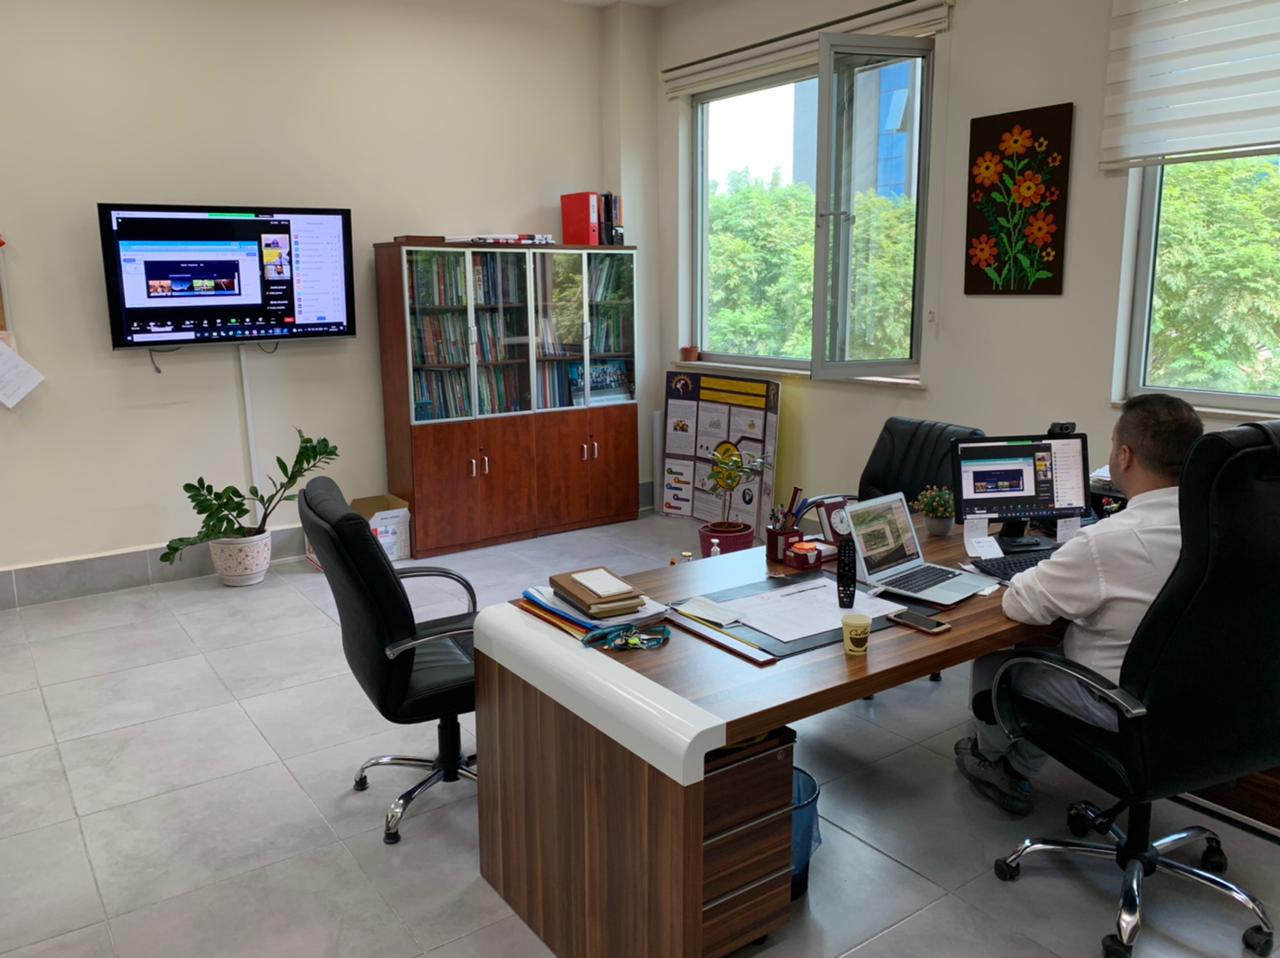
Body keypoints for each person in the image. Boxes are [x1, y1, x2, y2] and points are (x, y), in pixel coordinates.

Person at [955, 394, 1204, 815]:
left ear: (1124, 456)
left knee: (995, 667)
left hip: (1121, 704)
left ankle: (990, 759)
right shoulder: (1214, 522)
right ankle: (1016, 766)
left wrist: (1037, 568)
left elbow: (1021, 605)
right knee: (1052, 652)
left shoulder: (1109, 540)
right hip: (1196, 697)